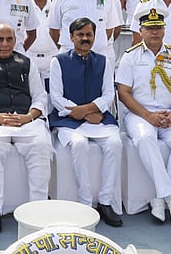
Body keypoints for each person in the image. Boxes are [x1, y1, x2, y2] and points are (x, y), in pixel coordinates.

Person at [0, 24, 51, 234]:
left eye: (9, 39)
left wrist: (29, 116)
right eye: (0, 39)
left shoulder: (27, 64)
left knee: (41, 145)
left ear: (15, 41)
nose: (5, 44)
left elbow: (40, 96)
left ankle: (38, 208)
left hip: (24, 120)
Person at [116, 4, 171, 228]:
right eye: (149, 28)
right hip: (139, 115)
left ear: (164, 29)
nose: (154, 32)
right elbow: (123, 92)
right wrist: (148, 116)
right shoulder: (130, 57)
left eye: (158, 27)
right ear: (140, 30)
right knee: (144, 138)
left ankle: (161, 198)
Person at [48, 17, 123, 227]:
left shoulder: (103, 61)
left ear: (94, 36)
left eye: (88, 35)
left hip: (98, 117)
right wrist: (82, 112)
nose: (84, 38)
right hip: (68, 119)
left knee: (115, 144)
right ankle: (85, 202)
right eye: (80, 35)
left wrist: (90, 110)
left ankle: (106, 201)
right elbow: (56, 97)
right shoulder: (58, 61)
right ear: (71, 37)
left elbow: (109, 95)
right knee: (79, 143)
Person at [25, 0, 59, 89]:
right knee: (32, 95)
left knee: (52, 96)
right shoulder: (24, 7)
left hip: (51, 58)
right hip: (30, 57)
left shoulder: (55, 6)